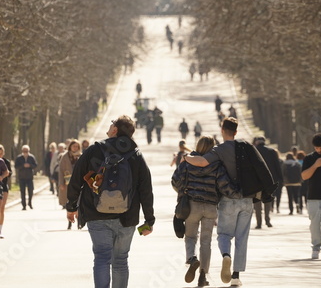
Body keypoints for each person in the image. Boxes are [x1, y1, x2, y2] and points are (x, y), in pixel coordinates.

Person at [66, 115, 155, 288]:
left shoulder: (95, 150)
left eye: (112, 124)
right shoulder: (136, 155)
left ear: (115, 129)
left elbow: (76, 177)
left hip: (95, 213)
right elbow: (146, 189)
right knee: (121, 260)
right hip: (126, 216)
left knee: (101, 257)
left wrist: (71, 207)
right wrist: (149, 219)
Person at [185, 117, 275, 286]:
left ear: (222, 130)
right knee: (242, 238)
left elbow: (202, 162)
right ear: (236, 131)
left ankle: (226, 255)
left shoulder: (219, 150)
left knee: (224, 234)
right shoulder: (247, 147)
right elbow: (262, 167)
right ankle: (235, 276)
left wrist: (186, 157)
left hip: (228, 199)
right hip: (247, 200)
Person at [172, 136, 240, 287]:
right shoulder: (217, 165)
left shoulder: (187, 162)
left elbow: (175, 181)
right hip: (210, 207)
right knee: (206, 241)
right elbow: (225, 186)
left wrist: (183, 191)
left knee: (190, 237)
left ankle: (192, 259)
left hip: (192, 205)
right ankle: (203, 275)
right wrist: (239, 194)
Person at [253, 136, 282, 228]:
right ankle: (267, 220)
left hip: (257, 181)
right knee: (267, 200)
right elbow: (277, 166)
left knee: (257, 201)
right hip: (269, 180)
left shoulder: (253, 151)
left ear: (256, 142)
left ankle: (259, 223)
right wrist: (280, 179)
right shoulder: (272, 151)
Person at [59, 139, 81, 226]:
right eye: (73, 146)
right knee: (69, 202)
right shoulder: (65, 157)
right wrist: (61, 183)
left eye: (77, 146)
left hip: (79, 183)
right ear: (70, 147)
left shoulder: (81, 156)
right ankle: (69, 221)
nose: (75, 148)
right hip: (67, 183)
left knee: (79, 202)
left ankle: (79, 220)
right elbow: (61, 170)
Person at [0, 144, 12, 238]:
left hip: (3, 186)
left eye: (1, 153)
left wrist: (4, 175)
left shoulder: (6, 162)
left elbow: (10, 172)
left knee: (1, 208)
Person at [14, 145, 38, 210]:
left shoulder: (31, 157)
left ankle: (29, 202)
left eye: (27, 151)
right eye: (24, 151)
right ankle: (24, 205)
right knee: (22, 192)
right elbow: (16, 166)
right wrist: (23, 166)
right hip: (22, 177)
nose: (25, 152)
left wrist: (30, 165)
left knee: (31, 191)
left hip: (30, 177)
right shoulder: (19, 158)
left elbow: (35, 165)